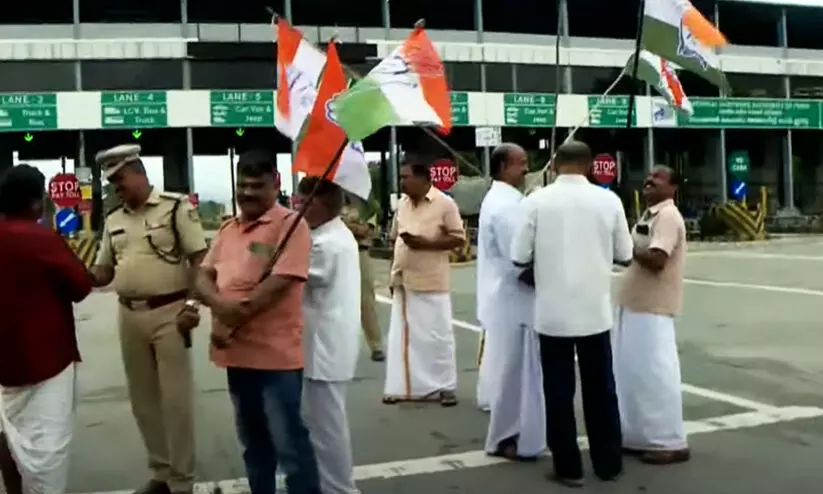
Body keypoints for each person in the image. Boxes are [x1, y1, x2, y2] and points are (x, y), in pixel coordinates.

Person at [194, 150, 320, 494]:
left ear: (276, 184)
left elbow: (281, 283)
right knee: (254, 445)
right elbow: (202, 275)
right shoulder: (227, 229)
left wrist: (236, 312)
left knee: (290, 445)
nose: (247, 193)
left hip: (276, 359)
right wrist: (221, 305)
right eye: (242, 185)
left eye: (257, 186)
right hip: (237, 355)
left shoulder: (290, 225)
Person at [511, 140, 633, 487]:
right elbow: (625, 254)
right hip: (594, 313)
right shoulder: (609, 201)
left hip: (552, 315)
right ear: (590, 164)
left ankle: (568, 467)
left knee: (559, 392)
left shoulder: (536, 201)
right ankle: (608, 463)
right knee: (601, 390)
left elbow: (519, 255)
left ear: (554, 165)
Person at [89, 144, 208, 494]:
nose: (116, 187)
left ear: (140, 173)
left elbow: (200, 260)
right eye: (111, 181)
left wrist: (192, 304)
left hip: (170, 314)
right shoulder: (114, 219)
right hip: (129, 315)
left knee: (175, 403)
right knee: (143, 401)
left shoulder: (175, 208)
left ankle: (182, 482)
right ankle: (160, 473)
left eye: (120, 179)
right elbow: (103, 269)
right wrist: (72, 276)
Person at [0, 164, 93, 494]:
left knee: (7, 434)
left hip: (4, 367)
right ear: (36, 201)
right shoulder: (40, 238)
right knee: (46, 449)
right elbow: (81, 285)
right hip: (46, 360)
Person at [613, 165, 689, 465]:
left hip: (654, 309)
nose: (648, 181)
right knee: (633, 374)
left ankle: (669, 441)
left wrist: (625, 247)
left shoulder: (669, 216)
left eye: (657, 179)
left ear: (672, 188)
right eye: (647, 177)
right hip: (635, 305)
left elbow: (657, 259)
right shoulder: (650, 214)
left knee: (656, 375)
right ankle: (639, 436)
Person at [477, 143, 546, 461]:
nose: (527, 168)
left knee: (517, 369)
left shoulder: (509, 200)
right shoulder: (505, 206)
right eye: (522, 163)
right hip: (512, 298)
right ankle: (506, 436)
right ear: (504, 167)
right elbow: (519, 261)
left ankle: (519, 432)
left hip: (509, 298)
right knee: (513, 372)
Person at [295, 177, 361, 494]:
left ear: (320, 204)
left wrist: (260, 249)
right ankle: (325, 485)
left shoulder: (327, 243)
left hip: (324, 348)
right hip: (323, 344)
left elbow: (294, 275)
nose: (298, 208)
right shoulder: (325, 234)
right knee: (317, 424)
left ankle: (339, 489)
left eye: (302, 202)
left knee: (327, 428)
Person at [382, 161, 466, 407]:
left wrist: (425, 244)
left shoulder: (445, 204)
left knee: (437, 337)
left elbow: (458, 239)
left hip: (431, 280)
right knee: (402, 338)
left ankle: (445, 387)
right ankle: (403, 387)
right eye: (401, 177)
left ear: (424, 179)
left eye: (406, 177)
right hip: (403, 280)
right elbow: (395, 239)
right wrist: (392, 272)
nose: (402, 182)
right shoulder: (403, 205)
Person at [342, 197, 385, 362]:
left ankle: (376, 345)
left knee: (366, 301)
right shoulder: (331, 200)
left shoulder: (368, 205)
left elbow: (363, 231)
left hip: (360, 253)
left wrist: (341, 224)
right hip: (337, 252)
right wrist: (351, 226)